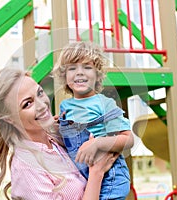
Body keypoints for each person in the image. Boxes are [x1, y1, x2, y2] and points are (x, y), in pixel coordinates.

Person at [0, 67, 119, 200]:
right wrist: (96, 173)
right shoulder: (27, 167)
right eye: (27, 104)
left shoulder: (53, 141)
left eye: (39, 93)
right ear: (10, 120)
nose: (42, 105)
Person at [53, 41, 134, 200]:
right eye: (72, 68)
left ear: (97, 75)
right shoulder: (65, 106)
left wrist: (98, 143)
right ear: (65, 75)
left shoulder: (104, 104)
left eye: (87, 67)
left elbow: (128, 139)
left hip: (110, 177)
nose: (80, 73)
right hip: (84, 176)